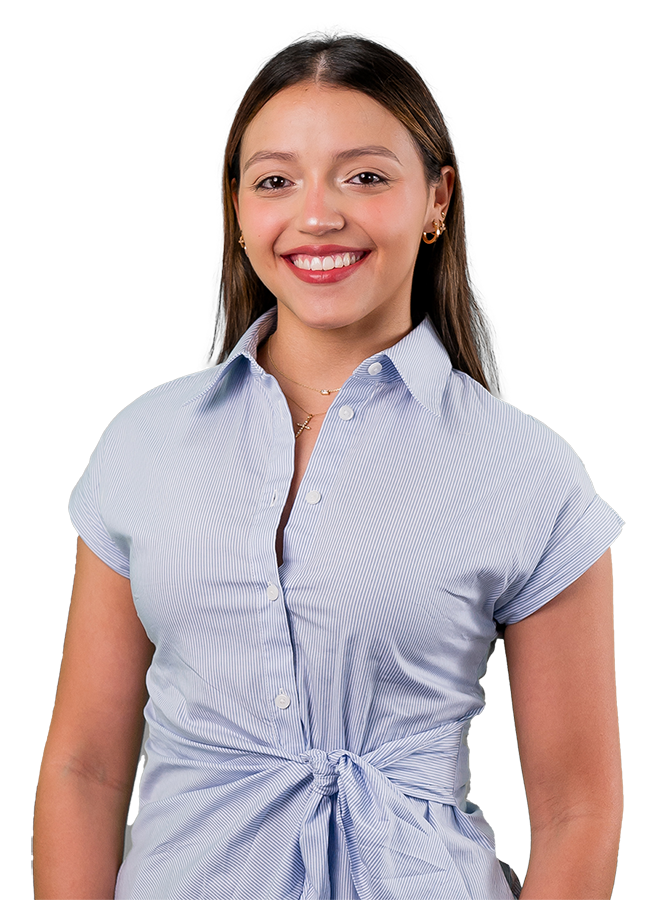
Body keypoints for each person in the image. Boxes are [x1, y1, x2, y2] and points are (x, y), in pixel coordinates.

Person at [33, 31, 625, 900]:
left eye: (366, 176)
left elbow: (581, 808)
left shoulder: (527, 471)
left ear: (437, 200)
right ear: (238, 209)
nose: (318, 215)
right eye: (276, 180)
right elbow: (83, 769)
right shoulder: (142, 444)